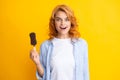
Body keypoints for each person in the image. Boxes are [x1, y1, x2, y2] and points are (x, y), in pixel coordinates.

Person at [30, 4, 89, 80]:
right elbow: (44, 76)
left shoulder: (81, 45)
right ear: (54, 22)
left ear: (71, 22)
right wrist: (37, 63)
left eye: (67, 19)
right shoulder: (46, 46)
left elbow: (85, 74)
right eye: (58, 19)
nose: (63, 23)